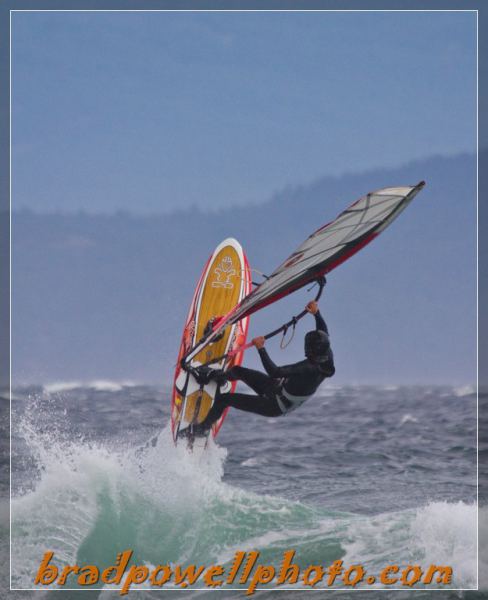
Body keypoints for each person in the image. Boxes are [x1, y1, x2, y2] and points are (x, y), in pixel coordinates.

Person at [179, 299, 335, 438]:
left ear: (310, 349)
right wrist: (317, 313)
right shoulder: (326, 354)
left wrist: (261, 349)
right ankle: (215, 378)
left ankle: (202, 430)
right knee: (238, 371)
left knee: (224, 400)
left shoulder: (309, 368)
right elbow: (324, 332)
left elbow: (275, 372)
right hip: (277, 389)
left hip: (275, 405)